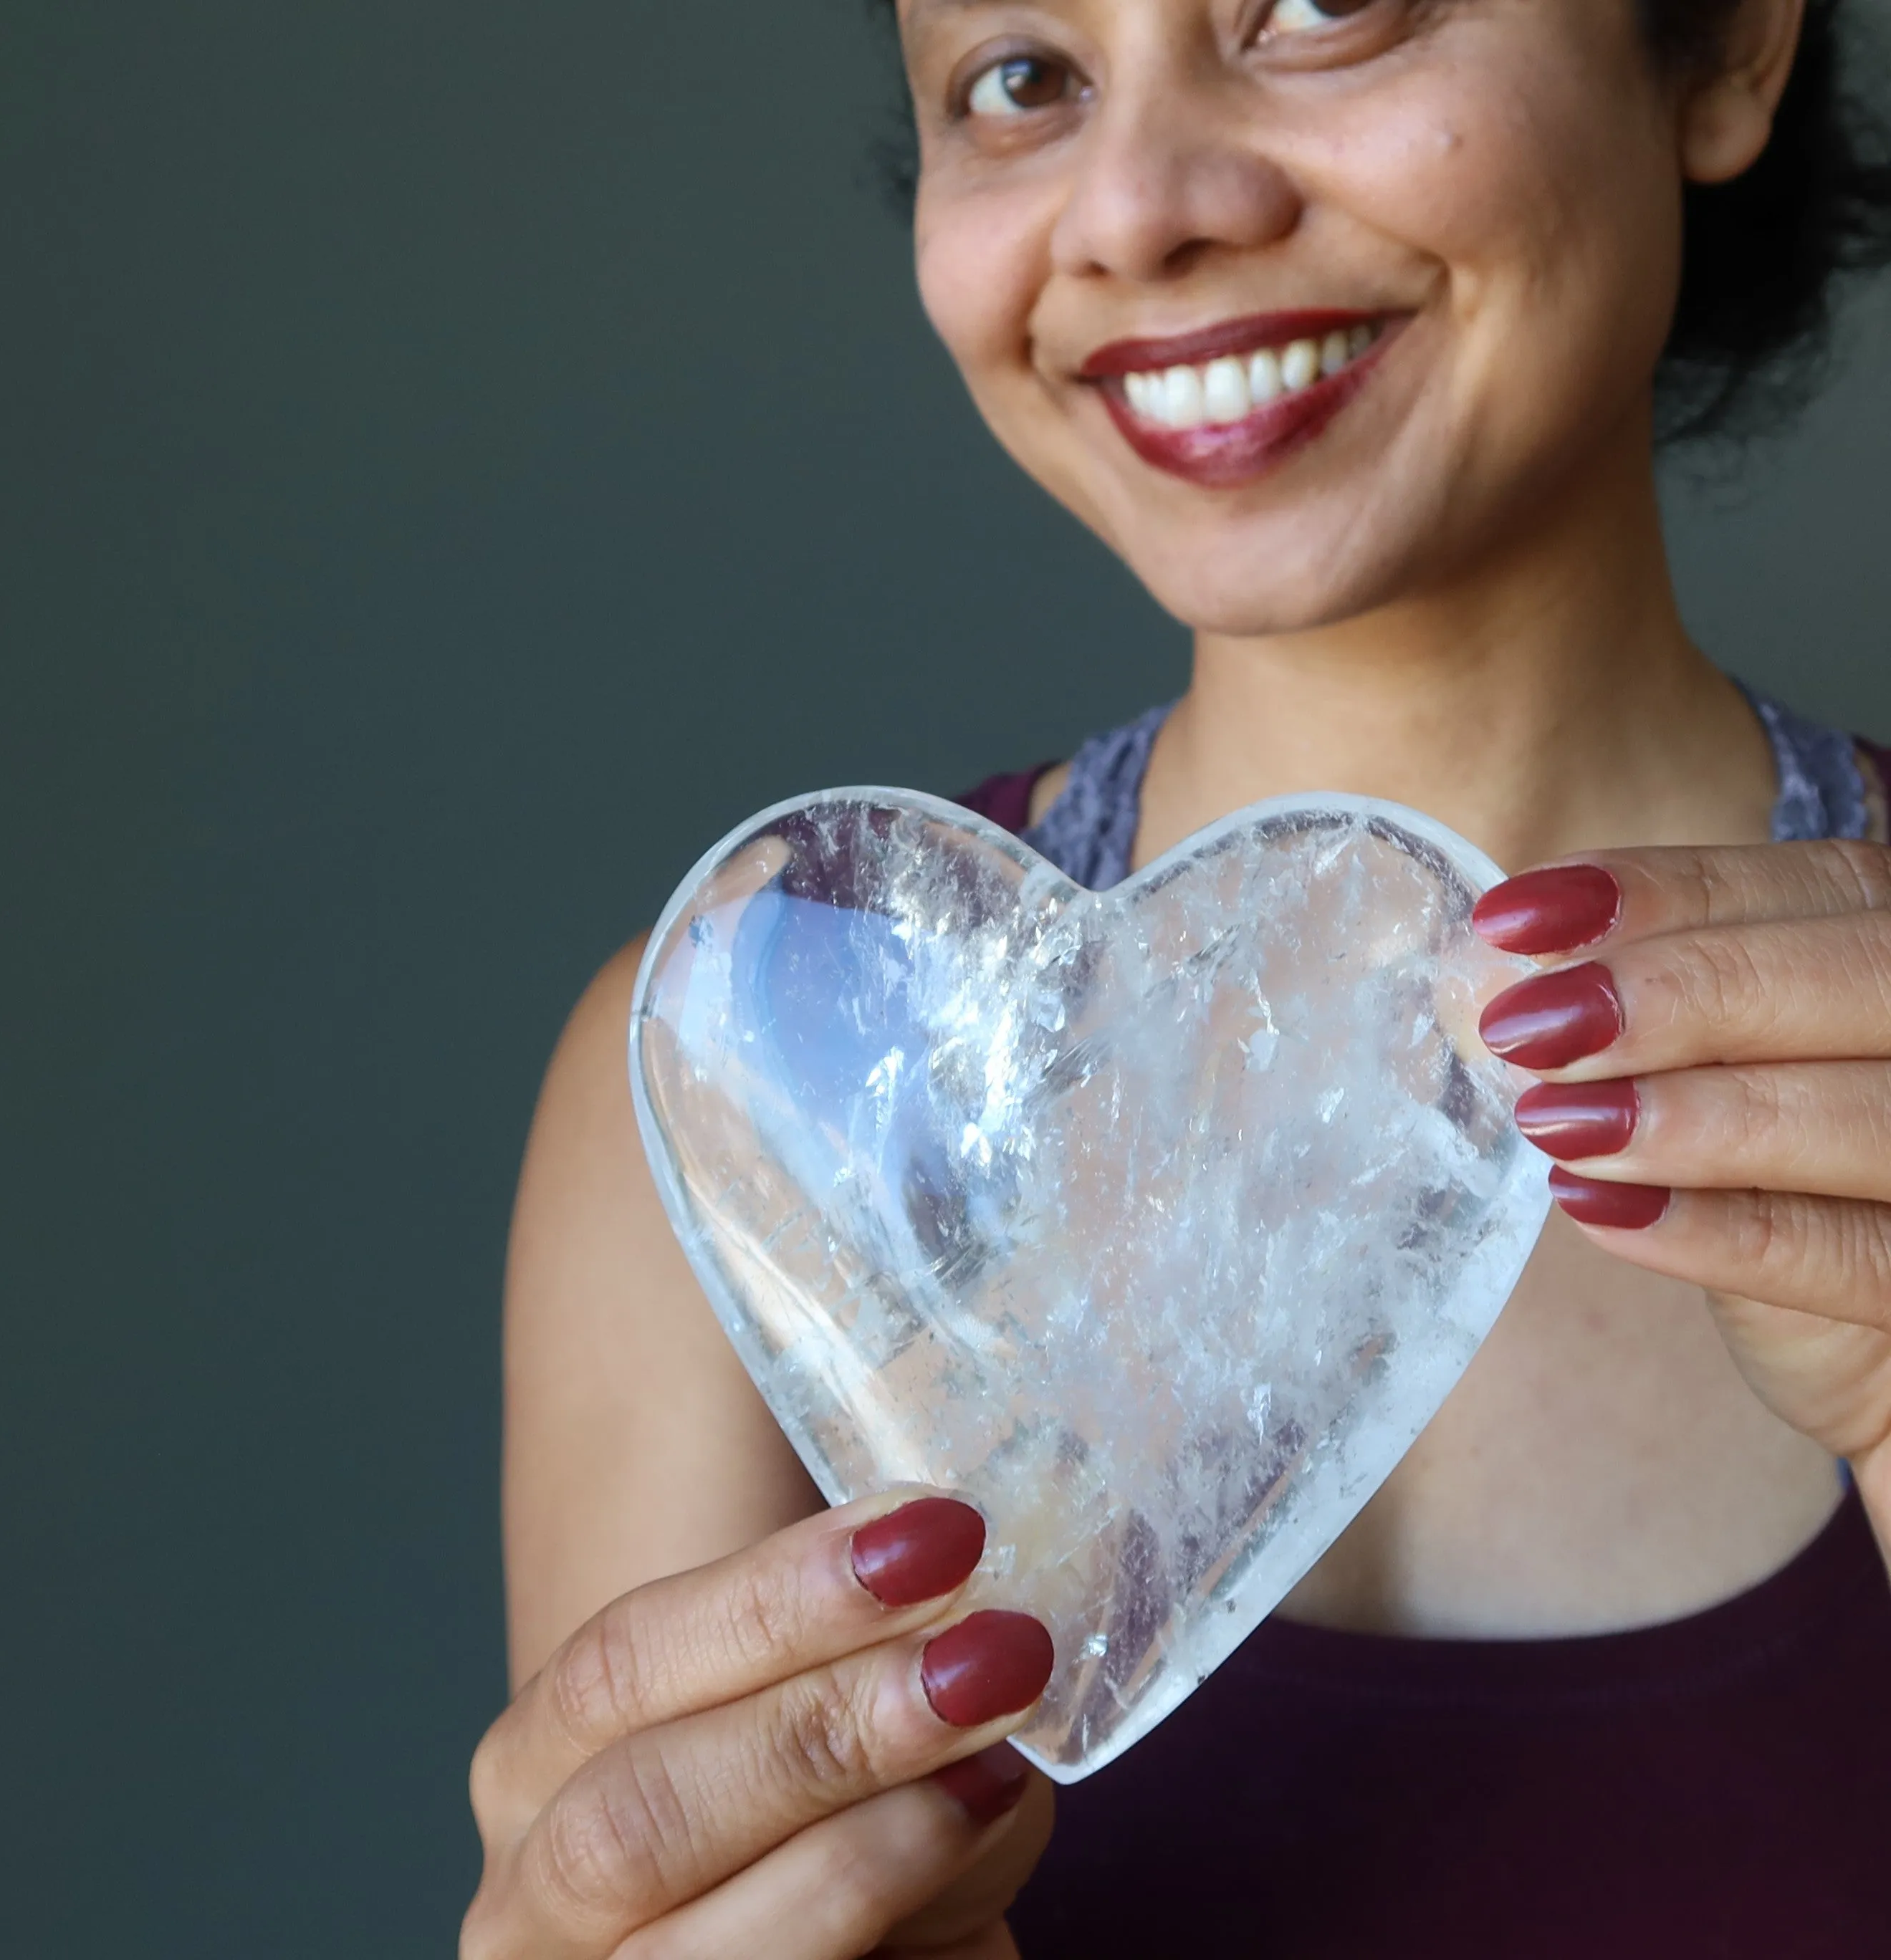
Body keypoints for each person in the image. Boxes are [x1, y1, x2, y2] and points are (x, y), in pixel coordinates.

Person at [462, 0, 1891, 1951]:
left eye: (1316, 7)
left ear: (1726, 45)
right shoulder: (735, 1097)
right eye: (1022, 77)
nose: (1134, 207)